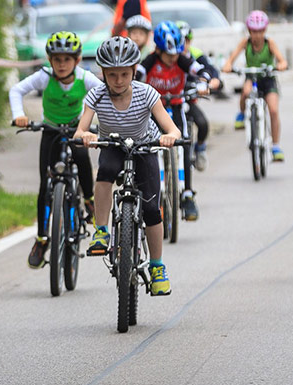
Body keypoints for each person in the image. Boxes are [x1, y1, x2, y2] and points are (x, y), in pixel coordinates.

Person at [75, 36, 182, 296]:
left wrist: (169, 137)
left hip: (144, 147)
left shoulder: (146, 93)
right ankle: (101, 230)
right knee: (105, 173)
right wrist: (86, 135)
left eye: (124, 74)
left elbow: (172, 128)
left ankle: (157, 266)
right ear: (103, 73)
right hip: (113, 145)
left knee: (151, 210)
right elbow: (80, 130)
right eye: (112, 75)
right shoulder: (96, 94)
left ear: (134, 71)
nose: (119, 80)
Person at [8, 32, 103, 269]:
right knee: (44, 185)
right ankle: (42, 239)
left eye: (67, 59)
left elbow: (104, 95)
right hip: (50, 129)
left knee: (82, 159)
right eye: (57, 59)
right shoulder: (43, 77)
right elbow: (16, 91)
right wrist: (19, 115)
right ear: (50, 60)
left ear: (77, 60)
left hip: (76, 128)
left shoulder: (85, 78)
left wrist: (102, 124)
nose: (62, 64)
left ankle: (89, 200)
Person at [138, 21, 214, 221]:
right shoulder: (150, 61)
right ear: (158, 50)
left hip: (177, 106)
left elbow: (200, 70)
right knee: (148, 145)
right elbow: (136, 75)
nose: (173, 59)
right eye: (168, 55)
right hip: (154, 109)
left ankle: (187, 193)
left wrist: (204, 82)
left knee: (184, 142)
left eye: (176, 54)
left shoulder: (181, 60)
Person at [221, 10, 288, 161]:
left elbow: (281, 59)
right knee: (245, 92)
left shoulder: (269, 43)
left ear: (265, 30)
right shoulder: (246, 42)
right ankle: (242, 113)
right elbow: (232, 57)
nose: (257, 35)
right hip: (251, 76)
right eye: (253, 31)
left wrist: (282, 65)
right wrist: (228, 64)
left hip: (268, 78)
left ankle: (276, 146)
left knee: (273, 110)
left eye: (260, 31)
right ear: (249, 31)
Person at [175, 20, 222, 171]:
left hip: (188, 98)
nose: (184, 45)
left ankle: (200, 148)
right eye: (180, 41)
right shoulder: (168, 55)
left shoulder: (195, 54)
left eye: (187, 41)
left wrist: (213, 81)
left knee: (202, 124)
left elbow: (210, 69)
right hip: (170, 99)